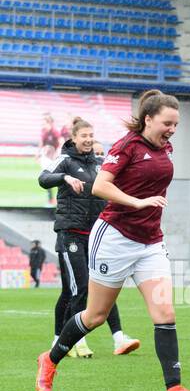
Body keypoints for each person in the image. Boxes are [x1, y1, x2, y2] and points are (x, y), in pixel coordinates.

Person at [36, 89, 190, 391]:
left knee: (165, 314)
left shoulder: (166, 147)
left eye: (175, 124)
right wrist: (137, 202)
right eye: (167, 123)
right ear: (148, 119)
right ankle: (49, 361)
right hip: (114, 238)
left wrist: (148, 206)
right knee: (95, 316)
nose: (172, 130)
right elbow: (100, 186)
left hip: (150, 242)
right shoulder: (126, 146)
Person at [36, 118, 139, 357]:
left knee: (96, 286)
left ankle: (108, 338)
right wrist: (64, 178)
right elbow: (43, 178)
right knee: (80, 289)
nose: (88, 139)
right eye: (84, 135)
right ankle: (74, 341)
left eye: (91, 135)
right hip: (71, 234)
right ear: (73, 138)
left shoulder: (99, 164)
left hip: (97, 236)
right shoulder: (65, 160)